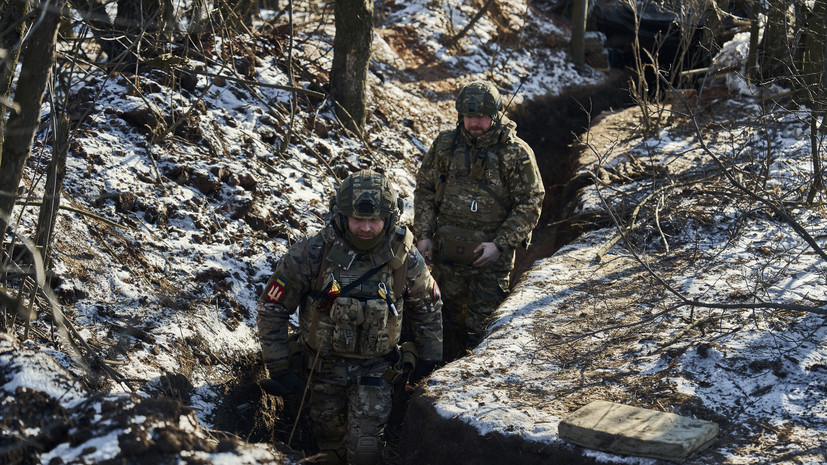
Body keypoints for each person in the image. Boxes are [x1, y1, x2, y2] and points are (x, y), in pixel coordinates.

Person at [256, 169, 443, 465]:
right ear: (341, 217)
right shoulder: (312, 253)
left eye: (374, 220)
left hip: (376, 371)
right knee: (327, 448)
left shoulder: (404, 258)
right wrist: (278, 365)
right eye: (358, 220)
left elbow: (428, 309)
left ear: (391, 218)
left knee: (364, 450)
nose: (366, 228)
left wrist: (429, 363)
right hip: (320, 370)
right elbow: (272, 307)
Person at [413, 80, 544, 361]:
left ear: (494, 115)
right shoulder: (445, 146)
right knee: (443, 322)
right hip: (447, 256)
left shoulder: (515, 153)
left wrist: (499, 244)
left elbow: (531, 202)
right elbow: (424, 189)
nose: (474, 123)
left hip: (490, 262)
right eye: (468, 116)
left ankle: (472, 382)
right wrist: (423, 235)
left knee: (481, 328)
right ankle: (435, 381)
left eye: (481, 117)